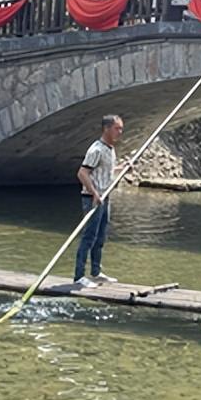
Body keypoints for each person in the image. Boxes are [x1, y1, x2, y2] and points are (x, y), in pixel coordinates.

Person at [74, 114, 124, 288]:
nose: (120, 132)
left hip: (105, 197)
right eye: (117, 128)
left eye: (121, 128)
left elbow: (105, 170)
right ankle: (79, 276)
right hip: (92, 199)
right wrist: (94, 193)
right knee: (89, 237)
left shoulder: (110, 149)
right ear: (106, 128)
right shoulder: (96, 149)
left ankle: (96, 272)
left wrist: (122, 168)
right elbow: (82, 173)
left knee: (100, 237)